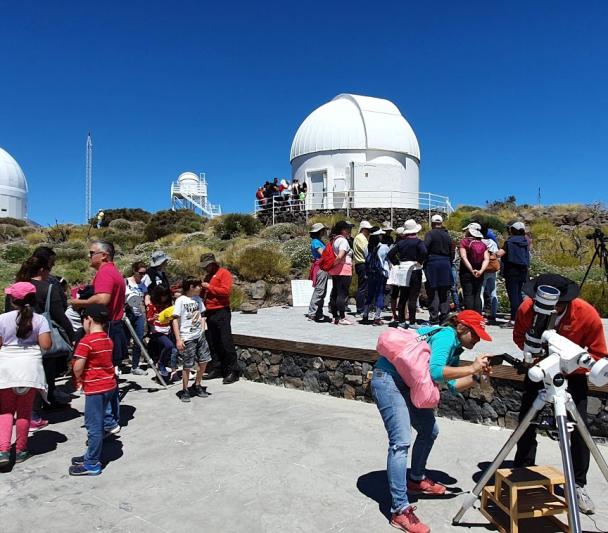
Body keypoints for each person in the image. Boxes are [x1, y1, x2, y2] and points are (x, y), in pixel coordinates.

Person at [371, 310, 492, 532]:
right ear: (462, 327)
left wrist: (476, 376)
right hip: (388, 379)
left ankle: (416, 479)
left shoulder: (455, 346)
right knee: (400, 442)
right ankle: (399, 511)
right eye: (475, 334)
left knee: (429, 430)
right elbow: (436, 373)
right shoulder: (447, 335)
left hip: (409, 383)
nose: (476, 339)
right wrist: (471, 367)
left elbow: (452, 385)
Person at [513, 274, 608, 514]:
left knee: (579, 429)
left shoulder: (586, 314)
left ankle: (577, 484)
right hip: (539, 369)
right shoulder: (527, 309)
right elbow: (519, 336)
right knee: (526, 422)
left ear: (565, 302)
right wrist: (535, 356)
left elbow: (598, 353)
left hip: (572, 377)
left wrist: (568, 365)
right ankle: (522, 471)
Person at [71, 240, 124, 436]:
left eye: (91, 252)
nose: (89, 255)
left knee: (100, 373)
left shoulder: (105, 272)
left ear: (104, 255)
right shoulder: (113, 272)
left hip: (105, 326)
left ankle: (108, 421)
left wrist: (78, 301)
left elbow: (103, 299)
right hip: (113, 326)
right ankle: (110, 420)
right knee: (109, 373)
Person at [0, 282, 51, 467]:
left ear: (13, 300)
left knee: (5, 410)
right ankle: (21, 450)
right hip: (30, 368)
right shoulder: (40, 320)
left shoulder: (2, 319)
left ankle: (3, 451)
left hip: (6, 368)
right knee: (24, 411)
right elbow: (46, 345)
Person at [69, 304, 118, 476]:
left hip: (95, 388)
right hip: (109, 386)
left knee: (93, 426)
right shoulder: (107, 339)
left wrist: (79, 378)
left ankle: (92, 463)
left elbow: (77, 367)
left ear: (88, 320)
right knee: (98, 423)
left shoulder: (86, 341)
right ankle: (91, 454)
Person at [199, 253, 240, 384]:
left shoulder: (224, 273)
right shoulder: (208, 276)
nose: (205, 269)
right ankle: (217, 368)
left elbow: (226, 291)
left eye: (207, 266)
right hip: (209, 311)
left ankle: (233, 371)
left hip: (221, 311)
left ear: (213, 263)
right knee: (212, 341)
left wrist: (209, 287)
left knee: (225, 341)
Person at [172, 277, 211, 403]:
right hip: (187, 337)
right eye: (198, 286)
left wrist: (203, 329)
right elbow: (175, 320)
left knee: (204, 361)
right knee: (187, 365)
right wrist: (178, 339)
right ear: (191, 287)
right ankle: (185, 389)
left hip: (200, 335)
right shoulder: (181, 301)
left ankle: (197, 384)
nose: (201, 288)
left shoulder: (199, 300)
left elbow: (203, 314)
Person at [387, 219, 427, 328]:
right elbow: (424, 252)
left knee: (403, 296)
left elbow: (390, 254)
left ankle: (401, 321)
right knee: (413, 298)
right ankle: (412, 322)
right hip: (414, 270)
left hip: (402, 269)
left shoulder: (401, 243)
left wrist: (397, 263)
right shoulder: (419, 242)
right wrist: (419, 262)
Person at [497, 221, 530, 328]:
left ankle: (513, 321)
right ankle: (520, 317)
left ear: (513, 230)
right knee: (520, 295)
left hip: (512, 271)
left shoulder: (510, 242)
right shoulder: (525, 241)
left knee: (513, 296)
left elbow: (499, 253)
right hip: (523, 271)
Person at [423, 214, 454, 325]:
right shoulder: (447, 235)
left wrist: (424, 261)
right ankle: (444, 317)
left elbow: (424, 248)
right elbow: (452, 251)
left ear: (432, 223)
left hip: (432, 264)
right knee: (444, 292)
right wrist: (449, 262)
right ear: (441, 223)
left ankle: (434, 318)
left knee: (433, 292)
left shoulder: (430, 234)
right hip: (445, 264)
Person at [146, 286, 179, 381]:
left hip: (167, 329)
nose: (164, 298)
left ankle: (161, 374)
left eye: (166, 295)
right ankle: (160, 364)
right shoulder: (151, 305)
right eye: (162, 296)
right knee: (169, 346)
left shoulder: (168, 303)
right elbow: (148, 319)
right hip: (156, 331)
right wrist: (153, 318)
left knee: (164, 351)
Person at [459, 223, 489, 313]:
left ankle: (469, 316)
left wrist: (471, 270)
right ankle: (478, 316)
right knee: (477, 294)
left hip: (466, 272)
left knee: (468, 294)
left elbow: (464, 257)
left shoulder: (464, 242)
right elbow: (486, 259)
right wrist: (481, 271)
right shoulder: (483, 244)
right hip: (479, 272)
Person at [327, 221, 354, 325]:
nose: (349, 231)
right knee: (342, 294)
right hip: (343, 270)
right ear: (343, 230)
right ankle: (342, 317)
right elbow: (341, 255)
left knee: (335, 293)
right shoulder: (343, 241)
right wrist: (334, 263)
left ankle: (335, 317)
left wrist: (332, 266)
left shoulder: (334, 240)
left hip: (335, 271)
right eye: (348, 229)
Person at [124, 261, 148, 375]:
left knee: (138, 340)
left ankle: (135, 365)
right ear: (134, 271)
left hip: (139, 315)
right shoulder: (126, 282)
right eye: (141, 273)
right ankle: (117, 365)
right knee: (124, 341)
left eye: (145, 273)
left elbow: (146, 299)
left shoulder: (143, 285)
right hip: (128, 314)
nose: (143, 275)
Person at [362, 229, 390, 325]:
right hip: (380, 273)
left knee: (369, 294)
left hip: (370, 273)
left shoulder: (366, 247)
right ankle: (377, 317)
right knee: (380, 294)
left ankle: (365, 314)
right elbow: (388, 260)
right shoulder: (384, 247)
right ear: (379, 236)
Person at [306, 223, 329, 322]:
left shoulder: (318, 241)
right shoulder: (316, 242)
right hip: (320, 267)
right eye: (323, 230)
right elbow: (323, 254)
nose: (325, 232)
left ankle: (318, 312)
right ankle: (312, 313)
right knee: (319, 290)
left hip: (322, 267)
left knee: (321, 291)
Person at [480, 224, 499, 325]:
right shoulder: (492, 242)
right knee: (493, 292)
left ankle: (480, 315)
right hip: (493, 269)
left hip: (483, 269)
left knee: (481, 292)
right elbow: (497, 254)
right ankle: (493, 315)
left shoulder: (480, 242)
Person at [353, 221, 373, 317]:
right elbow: (366, 251)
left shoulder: (359, 238)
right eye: (368, 230)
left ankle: (361, 309)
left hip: (359, 264)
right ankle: (360, 309)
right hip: (363, 264)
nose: (369, 232)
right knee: (363, 288)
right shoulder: (361, 238)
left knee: (363, 287)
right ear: (363, 229)